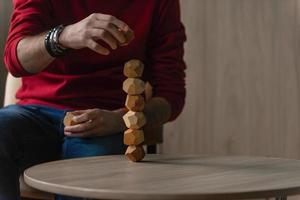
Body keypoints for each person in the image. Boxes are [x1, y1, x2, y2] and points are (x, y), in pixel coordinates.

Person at [1, 0, 186, 199]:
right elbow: (15, 59)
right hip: (34, 113)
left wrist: (121, 120)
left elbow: (171, 95)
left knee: (88, 175)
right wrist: (63, 36)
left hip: (106, 120)